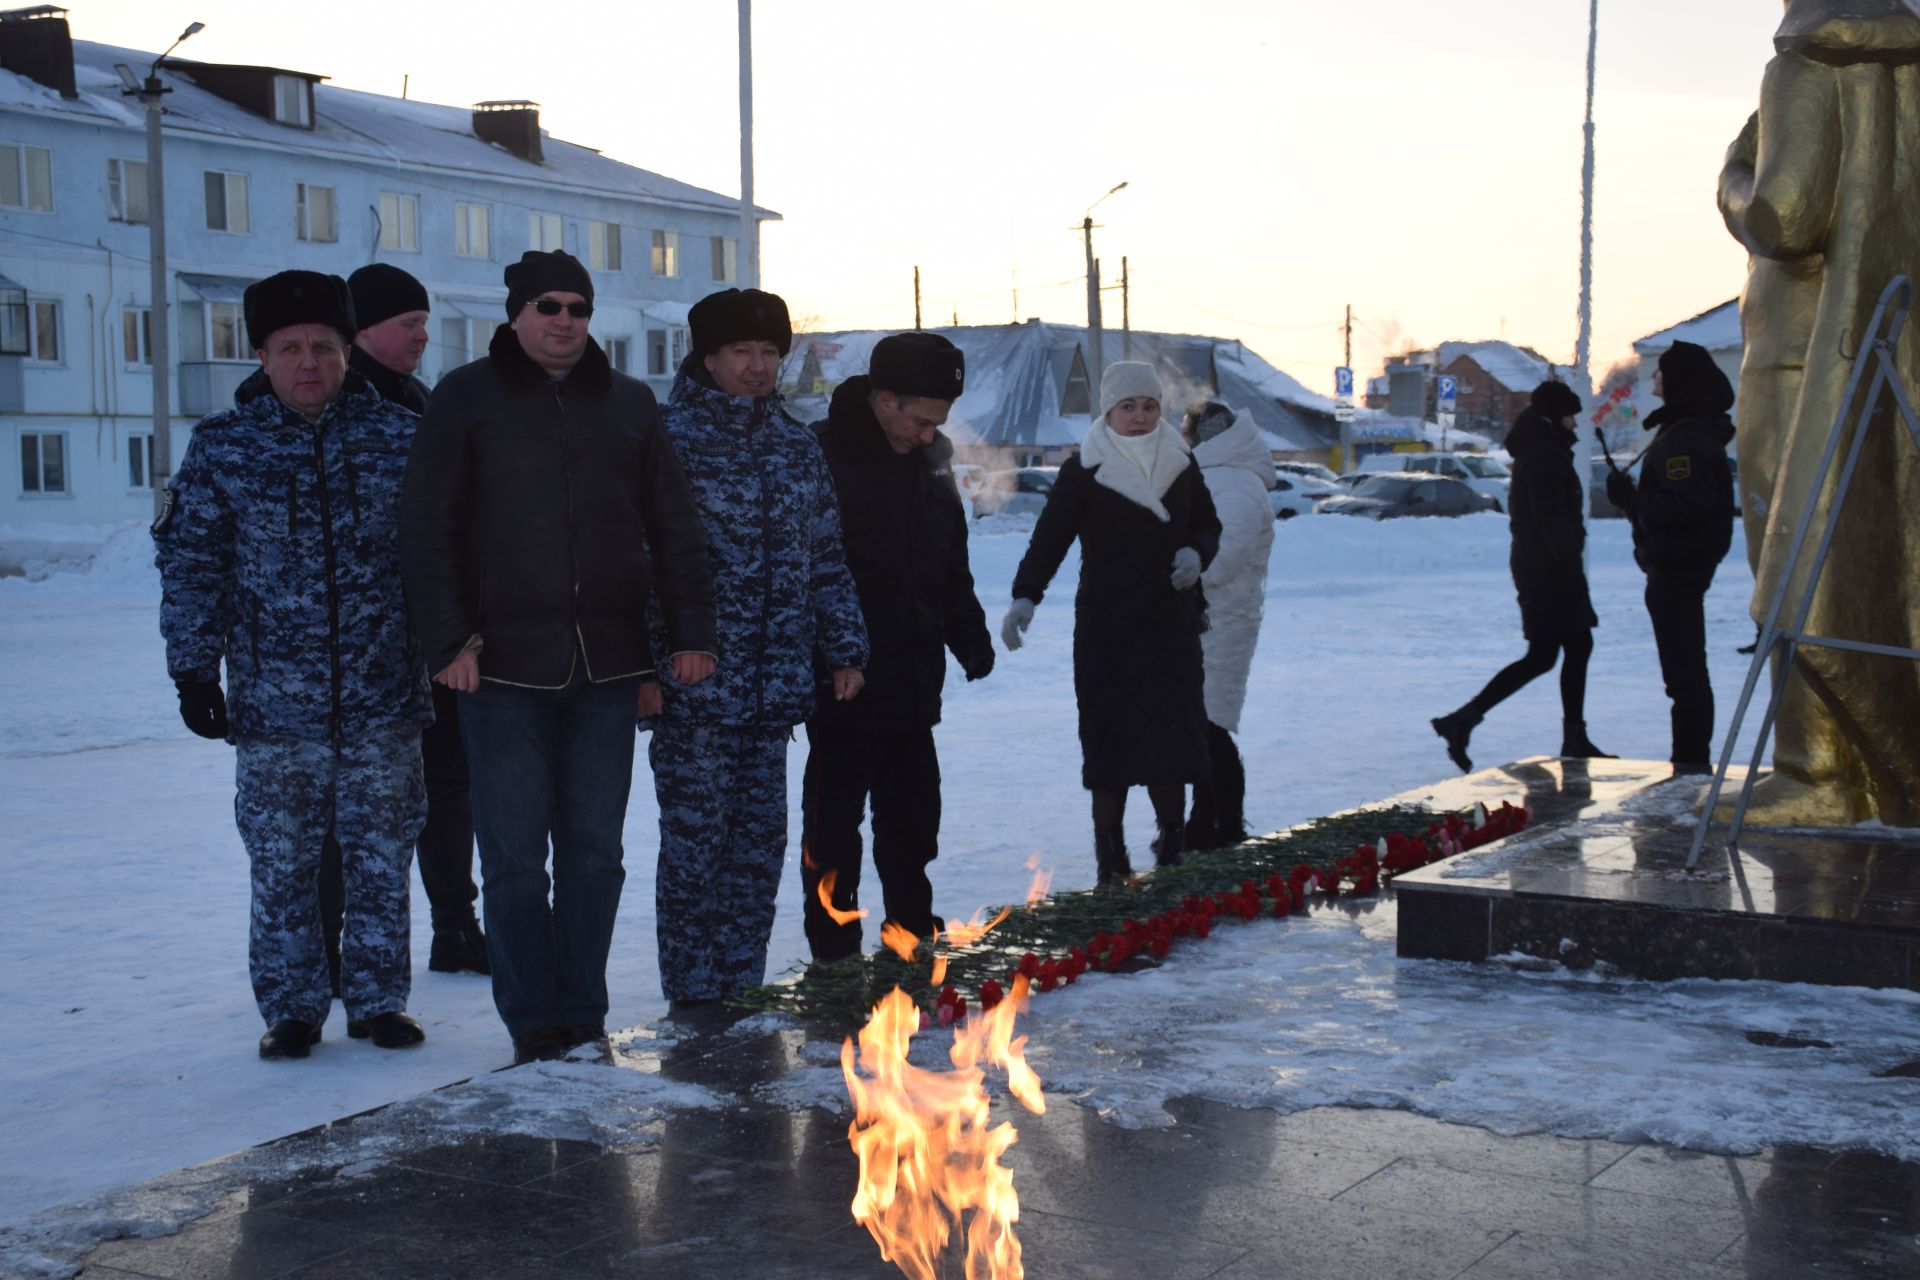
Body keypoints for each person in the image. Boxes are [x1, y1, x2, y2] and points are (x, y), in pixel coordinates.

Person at [399, 250, 717, 1064]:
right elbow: (427, 530)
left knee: (594, 856)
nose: (565, 320)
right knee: (511, 861)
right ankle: (533, 1017)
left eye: (578, 306)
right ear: (516, 312)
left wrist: (687, 635)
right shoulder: (466, 399)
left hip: (607, 669)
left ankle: (583, 1009)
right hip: (498, 668)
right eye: (548, 305)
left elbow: (675, 528)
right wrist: (447, 642)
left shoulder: (629, 404)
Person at [155, 269, 430, 1059]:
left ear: (347, 352)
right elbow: (193, 563)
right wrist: (193, 671)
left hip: (383, 700)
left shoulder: (400, 439)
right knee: (283, 871)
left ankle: (379, 1001)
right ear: (262, 356)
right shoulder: (224, 448)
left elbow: (439, 561)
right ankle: (293, 1008)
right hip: (277, 710)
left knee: (381, 860)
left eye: (324, 347)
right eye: (291, 349)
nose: (309, 363)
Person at [1716, 0, 1920, 825]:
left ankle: (1820, 775)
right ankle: (1881, 769)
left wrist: (1731, 176)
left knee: (1795, 555)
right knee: (1875, 560)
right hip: (1886, 342)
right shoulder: (1908, 75)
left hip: (1802, 356)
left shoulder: (1801, 66)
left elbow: (1785, 220)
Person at [645, 287, 869, 1008]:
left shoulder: (794, 445)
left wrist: (844, 648)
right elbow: (640, 566)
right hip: (696, 692)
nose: (757, 366)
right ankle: (692, 993)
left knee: (755, 851)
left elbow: (825, 556)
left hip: (772, 694)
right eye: (741, 351)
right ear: (708, 358)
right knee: (693, 851)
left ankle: (740, 986)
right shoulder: (666, 440)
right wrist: (650, 664)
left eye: (770, 352)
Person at [306, 264, 486, 983]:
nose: (421, 334)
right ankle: (327, 948)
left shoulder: (419, 402)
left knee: (448, 788)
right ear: (362, 331)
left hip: (432, 639)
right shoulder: (326, 409)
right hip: (354, 654)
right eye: (407, 323)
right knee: (346, 813)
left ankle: (455, 928)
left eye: (423, 321)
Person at [800, 332, 994, 962]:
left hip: (914, 683)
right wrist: (830, 655)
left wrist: (969, 635)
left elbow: (949, 563)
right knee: (834, 837)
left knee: (912, 827)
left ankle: (911, 940)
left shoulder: (930, 463)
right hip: (843, 688)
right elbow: (805, 575)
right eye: (920, 418)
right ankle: (834, 955)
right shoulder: (824, 459)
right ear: (884, 400)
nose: (928, 432)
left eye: (939, 421)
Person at [1002, 361, 1221, 885]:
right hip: (1108, 629)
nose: (1141, 416)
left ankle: (1172, 848)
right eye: (1129, 407)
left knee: (1171, 743)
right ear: (1109, 410)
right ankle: (1111, 858)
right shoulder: (1084, 469)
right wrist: (1025, 597)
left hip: (1170, 626)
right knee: (1111, 742)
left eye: (1149, 406)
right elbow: (1050, 538)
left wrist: (1196, 552)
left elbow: (1208, 524)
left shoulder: (1181, 460)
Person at [1432, 381, 1612, 772]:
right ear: (1554, 417)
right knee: (1559, 650)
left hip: (1543, 565)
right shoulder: (1545, 454)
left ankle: (1467, 720)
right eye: (1570, 416)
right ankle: (1466, 720)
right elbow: (1549, 516)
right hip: (1549, 569)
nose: (1575, 424)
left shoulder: (1540, 449)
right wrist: (1569, 560)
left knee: (1558, 651)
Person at [1605, 341, 1736, 773]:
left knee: (1684, 676)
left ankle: (1690, 761)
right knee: (1683, 673)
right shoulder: (1684, 432)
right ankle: (1689, 757)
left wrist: (1633, 500)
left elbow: (1687, 508)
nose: (1653, 379)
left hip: (1679, 567)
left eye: (1660, 373)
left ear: (1677, 382)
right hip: (1676, 565)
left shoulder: (1685, 441)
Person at [1177, 399, 1273, 848]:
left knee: (1210, 728)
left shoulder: (1234, 483)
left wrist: (1177, 566)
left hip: (1221, 624)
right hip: (1203, 622)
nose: (1182, 438)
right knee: (1198, 728)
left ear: (1204, 437)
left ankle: (1224, 827)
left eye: (1187, 430)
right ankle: (1205, 823)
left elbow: (1223, 559)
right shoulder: (1216, 475)